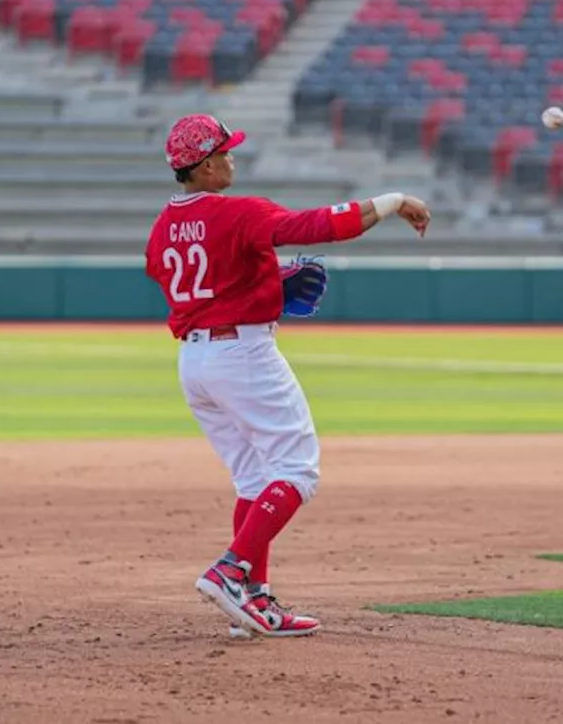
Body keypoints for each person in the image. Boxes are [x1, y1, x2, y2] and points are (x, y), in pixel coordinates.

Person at [144, 114, 430, 639]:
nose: (233, 158)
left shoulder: (161, 228)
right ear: (205, 167)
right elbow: (319, 226)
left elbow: (199, 280)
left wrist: (267, 284)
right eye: (225, 153)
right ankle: (231, 571)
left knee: (254, 480)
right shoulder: (240, 213)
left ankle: (253, 602)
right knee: (298, 470)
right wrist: (391, 201)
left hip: (195, 361)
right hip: (243, 355)